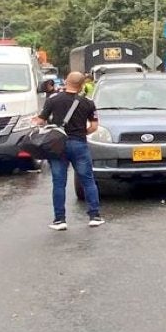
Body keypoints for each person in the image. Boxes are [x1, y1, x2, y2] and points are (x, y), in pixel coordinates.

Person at [33, 72, 104, 230]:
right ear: (82, 85)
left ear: (66, 81)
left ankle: (60, 220)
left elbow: (41, 120)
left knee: (59, 182)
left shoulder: (53, 100)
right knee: (87, 180)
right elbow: (93, 126)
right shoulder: (88, 103)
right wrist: (80, 133)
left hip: (57, 146)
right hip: (79, 144)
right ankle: (94, 216)